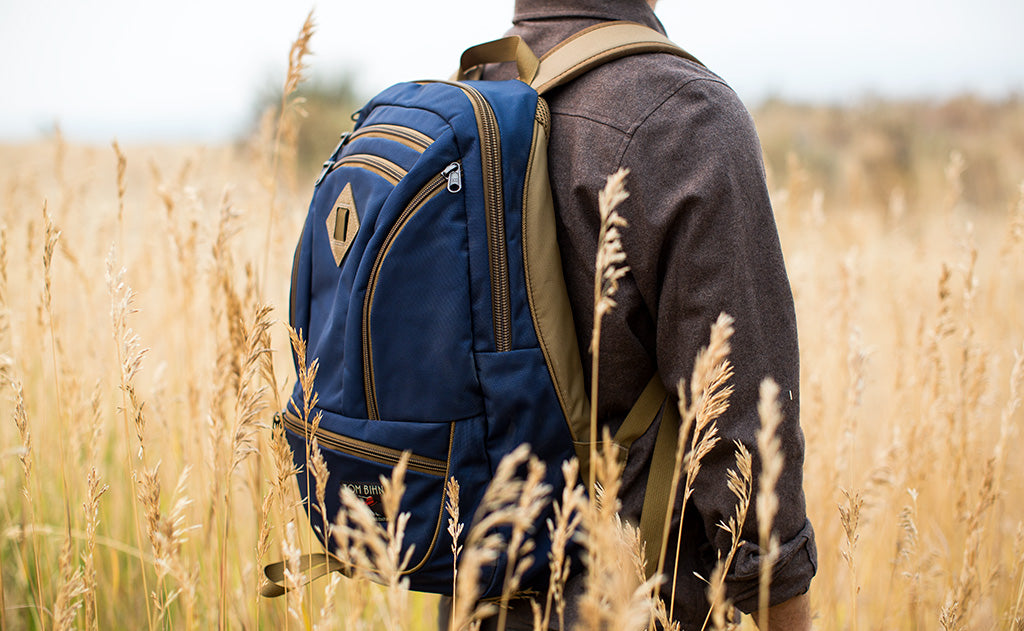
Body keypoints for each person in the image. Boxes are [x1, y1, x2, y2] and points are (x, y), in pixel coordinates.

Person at [449, 1, 817, 629]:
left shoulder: (468, 99)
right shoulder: (686, 116)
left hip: (474, 600)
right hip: (635, 603)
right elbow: (748, 446)